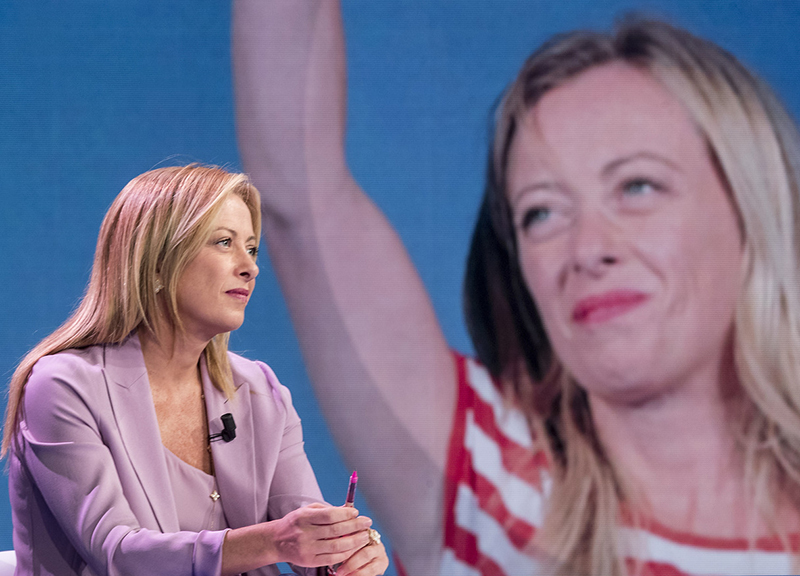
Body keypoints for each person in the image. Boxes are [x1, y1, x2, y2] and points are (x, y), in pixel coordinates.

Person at [234, 1, 800, 575]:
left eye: (637, 186)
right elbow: (298, 192)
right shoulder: (482, 485)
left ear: (749, 206)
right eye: (541, 213)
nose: (587, 248)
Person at [2, 164, 389, 576]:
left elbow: (301, 526)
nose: (250, 267)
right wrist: (275, 541)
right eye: (224, 242)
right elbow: (116, 554)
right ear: (155, 264)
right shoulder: (64, 386)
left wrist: (341, 553)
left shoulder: (260, 391)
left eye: (252, 249)